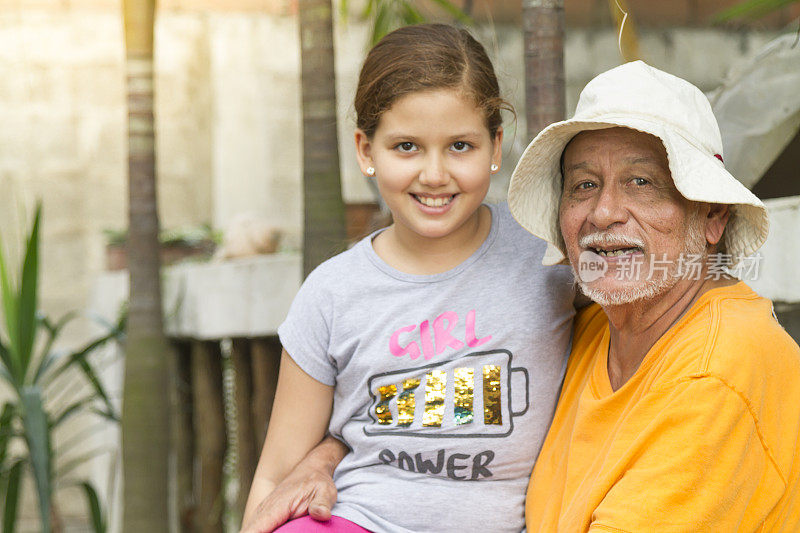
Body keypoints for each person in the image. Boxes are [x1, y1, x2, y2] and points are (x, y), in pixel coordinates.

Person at [240, 24, 577, 533]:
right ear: (365, 151)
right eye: (406, 147)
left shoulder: (550, 254)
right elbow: (276, 476)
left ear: (496, 146)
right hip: (359, 518)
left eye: (460, 145)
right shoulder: (332, 293)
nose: (435, 174)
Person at [507, 60, 800, 531]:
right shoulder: (591, 328)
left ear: (712, 217)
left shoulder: (717, 369)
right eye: (584, 185)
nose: (603, 213)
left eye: (640, 183)